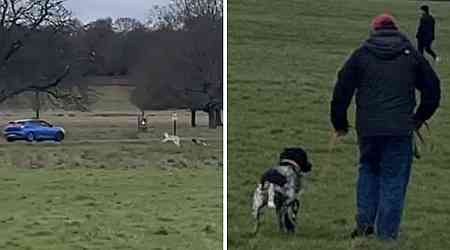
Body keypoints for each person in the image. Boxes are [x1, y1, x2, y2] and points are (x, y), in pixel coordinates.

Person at [330, 14, 441, 240]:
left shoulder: (361, 55)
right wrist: (419, 118)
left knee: (368, 172)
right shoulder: (411, 55)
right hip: (400, 130)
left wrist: (340, 124)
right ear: (396, 30)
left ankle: (364, 227)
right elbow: (433, 90)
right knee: (394, 179)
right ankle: (387, 236)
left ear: (374, 30)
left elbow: (341, 90)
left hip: (368, 129)